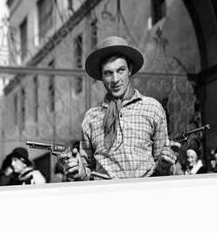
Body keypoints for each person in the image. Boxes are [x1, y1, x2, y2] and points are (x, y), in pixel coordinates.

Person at [63, 36, 180, 180]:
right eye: (108, 73)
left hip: (145, 194)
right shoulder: (91, 117)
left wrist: (165, 164)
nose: (115, 79)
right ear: (101, 76)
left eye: (121, 70)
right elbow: (86, 168)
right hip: (106, 196)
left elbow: (162, 164)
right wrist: (78, 171)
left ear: (130, 70)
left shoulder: (152, 108)